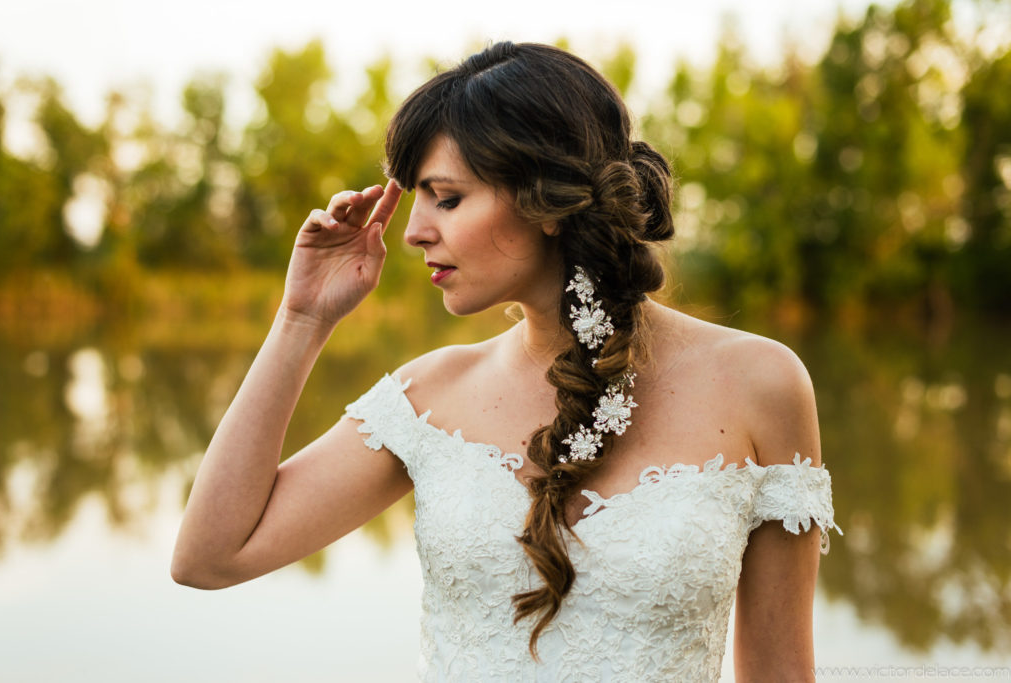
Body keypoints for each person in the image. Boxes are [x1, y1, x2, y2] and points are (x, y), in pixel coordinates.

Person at [172, 42, 840, 681]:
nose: (412, 231)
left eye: (448, 197)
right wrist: (302, 319)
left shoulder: (762, 385)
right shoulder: (427, 398)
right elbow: (209, 556)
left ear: (544, 202)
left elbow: (781, 674)